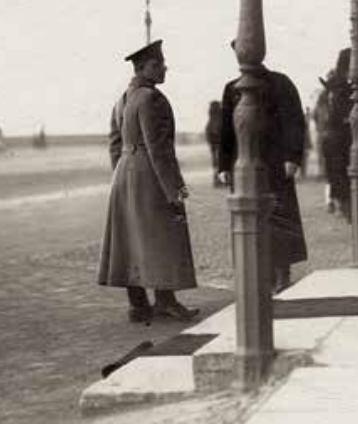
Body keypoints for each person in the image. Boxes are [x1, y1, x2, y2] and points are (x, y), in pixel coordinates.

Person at [98, 39, 199, 323]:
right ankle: (166, 301)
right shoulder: (151, 98)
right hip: (149, 175)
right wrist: (175, 189)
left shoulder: (123, 99)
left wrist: (121, 176)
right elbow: (160, 149)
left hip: (124, 174)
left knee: (130, 239)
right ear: (145, 67)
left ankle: (138, 305)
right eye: (159, 64)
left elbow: (114, 144)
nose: (165, 68)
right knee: (162, 235)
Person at [218, 41, 308, 294]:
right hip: (242, 163)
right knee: (248, 219)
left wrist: (293, 157)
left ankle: (282, 273)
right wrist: (223, 164)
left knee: (280, 217)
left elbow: (294, 122)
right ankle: (259, 274)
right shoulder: (232, 89)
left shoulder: (281, 83)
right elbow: (225, 130)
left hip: (275, 163)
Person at [205, 101, 222, 187]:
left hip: (213, 143)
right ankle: (219, 179)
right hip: (218, 143)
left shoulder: (210, 121)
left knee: (215, 162)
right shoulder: (219, 119)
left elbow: (208, 133)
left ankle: (216, 180)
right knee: (219, 161)